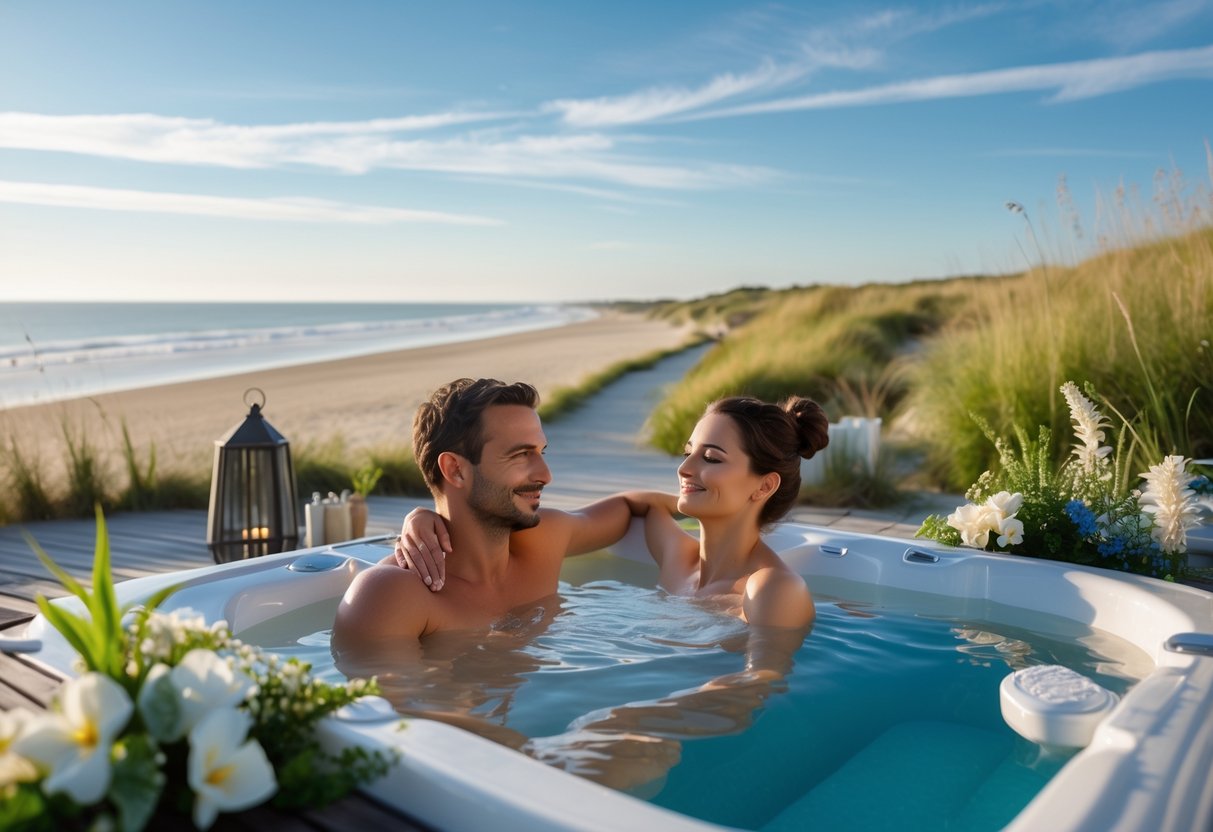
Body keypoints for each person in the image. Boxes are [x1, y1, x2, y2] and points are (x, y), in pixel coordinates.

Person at [397, 394, 828, 630]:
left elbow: (759, 688)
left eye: (711, 458)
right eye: (687, 453)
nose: (684, 468)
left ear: (765, 485)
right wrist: (428, 512)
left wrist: (632, 722)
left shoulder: (772, 588)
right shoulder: (676, 558)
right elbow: (633, 505)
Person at [331, 378, 662, 653]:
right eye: (521, 455)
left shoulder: (544, 541)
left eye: (540, 452)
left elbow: (629, 506)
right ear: (455, 470)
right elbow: (399, 721)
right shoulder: (392, 594)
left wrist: (702, 502)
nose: (546, 475)